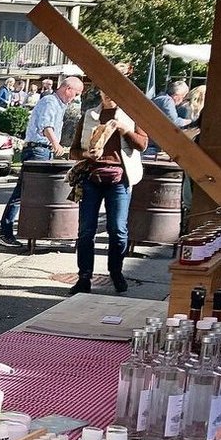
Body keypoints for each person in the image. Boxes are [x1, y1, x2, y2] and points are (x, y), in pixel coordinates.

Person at [69, 75, 148, 295]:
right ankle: (84, 276)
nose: (108, 95)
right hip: (92, 177)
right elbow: (73, 151)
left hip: (120, 179)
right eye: (104, 90)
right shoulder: (90, 115)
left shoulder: (130, 116)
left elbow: (142, 144)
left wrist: (125, 130)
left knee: (118, 230)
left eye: (112, 92)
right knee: (86, 231)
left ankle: (116, 272)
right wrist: (87, 153)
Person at [0, 76, 84, 248]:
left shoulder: (58, 104)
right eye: (76, 93)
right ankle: (5, 232)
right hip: (38, 150)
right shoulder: (50, 102)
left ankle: (37, 230)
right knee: (25, 192)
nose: (76, 97)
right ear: (67, 89)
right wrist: (56, 144)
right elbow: (46, 126)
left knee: (35, 193)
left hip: (42, 150)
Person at [147, 80, 192, 155]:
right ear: (177, 95)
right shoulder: (167, 101)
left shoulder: (160, 98)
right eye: (183, 97)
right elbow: (174, 121)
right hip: (153, 142)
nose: (182, 100)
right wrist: (190, 121)